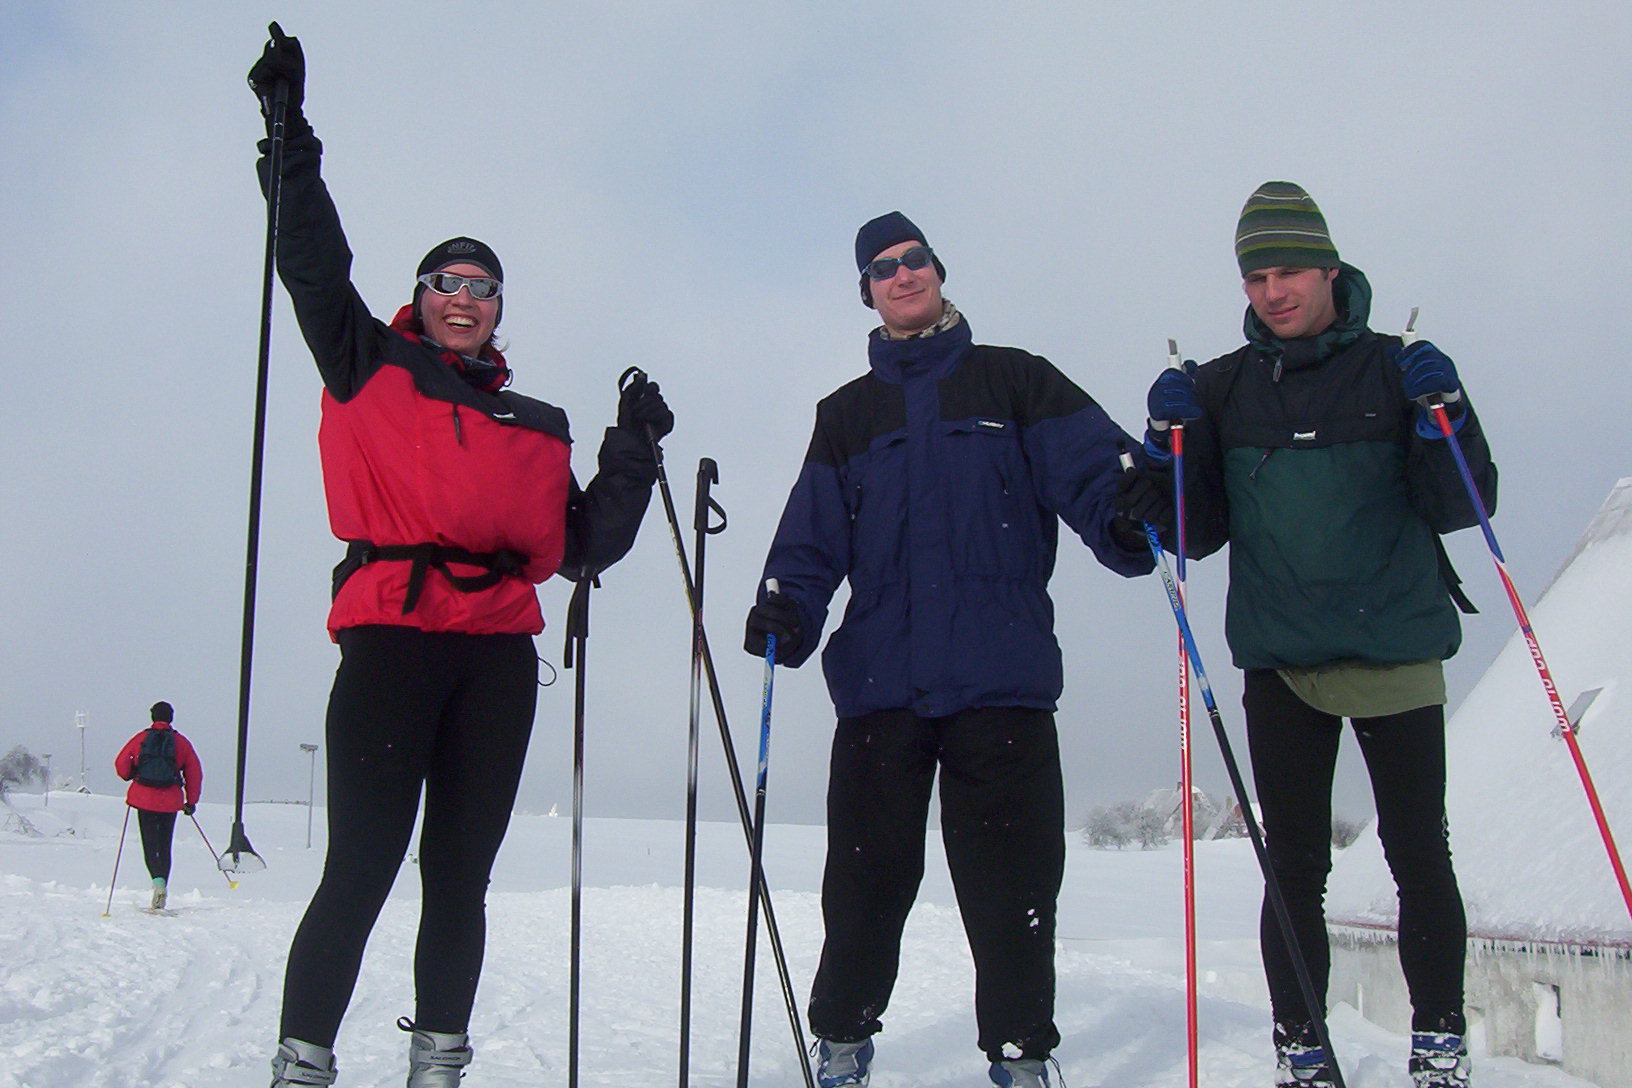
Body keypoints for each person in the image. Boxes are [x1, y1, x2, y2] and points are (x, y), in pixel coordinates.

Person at [247, 24, 671, 1088]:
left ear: (496, 308)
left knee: (460, 877)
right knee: (361, 865)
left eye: (481, 283)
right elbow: (311, 264)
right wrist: (290, 141)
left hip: (493, 662)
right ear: (422, 295)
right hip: (393, 640)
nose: (462, 293)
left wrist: (633, 449)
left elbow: (581, 547)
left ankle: (440, 1058)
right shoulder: (367, 361)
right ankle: (303, 1061)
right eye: (445, 278)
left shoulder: (537, 420)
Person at [744, 212, 1165, 1088]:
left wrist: (1130, 511)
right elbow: (813, 538)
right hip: (880, 687)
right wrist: (788, 606)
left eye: (916, 260)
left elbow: (1098, 478)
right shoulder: (847, 415)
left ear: (938, 270)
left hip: (1001, 678)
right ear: (866, 291)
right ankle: (843, 1041)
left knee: (1012, 893)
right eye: (883, 268)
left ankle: (1020, 1055)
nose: (903, 276)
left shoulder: (1016, 382)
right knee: (864, 887)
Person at [1136, 182, 1495, 1088]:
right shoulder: (1220, 386)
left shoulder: (1395, 367)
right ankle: (1301, 1048)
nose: (1272, 290)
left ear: (1330, 267)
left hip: (1397, 650)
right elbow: (1190, 531)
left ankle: (1439, 1046)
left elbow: (1465, 501)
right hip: (1282, 658)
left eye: (1289, 269)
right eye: (1255, 276)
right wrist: (1163, 441)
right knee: (1291, 864)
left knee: (1419, 854)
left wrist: (1445, 406)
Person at [113, 700, 203, 911]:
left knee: (150, 844)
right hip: (170, 801)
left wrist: (131, 775)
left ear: (152, 716)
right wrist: (191, 801)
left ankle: (157, 883)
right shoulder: (181, 742)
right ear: (171, 717)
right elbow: (194, 773)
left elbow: (121, 763)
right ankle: (163, 886)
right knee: (164, 845)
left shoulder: (141, 738)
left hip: (144, 798)